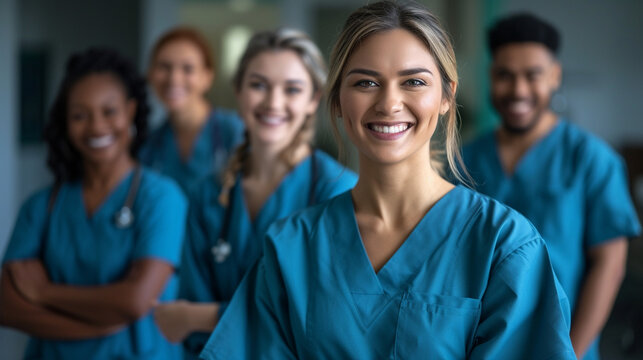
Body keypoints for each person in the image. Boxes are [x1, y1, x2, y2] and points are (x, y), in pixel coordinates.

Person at [199, 2, 576, 359]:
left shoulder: (503, 246)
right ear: (337, 102)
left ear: (447, 95)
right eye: (365, 83)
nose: (389, 103)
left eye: (413, 82)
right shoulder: (291, 248)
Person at [152, 28, 357, 359]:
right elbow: (190, 327)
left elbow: (324, 320)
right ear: (238, 91)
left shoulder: (338, 190)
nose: (273, 103)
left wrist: (200, 317)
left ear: (313, 100)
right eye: (258, 85)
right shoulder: (209, 194)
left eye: (292, 89)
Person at [462, 13, 641, 360]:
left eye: (533, 75)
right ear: (490, 77)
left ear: (555, 76)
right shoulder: (466, 159)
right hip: (480, 346)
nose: (518, 90)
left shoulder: (592, 160)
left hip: (562, 343)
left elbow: (610, 265)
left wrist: (568, 352)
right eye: (504, 75)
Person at [0, 48, 187, 359]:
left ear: (130, 111)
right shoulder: (42, 205)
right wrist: (98, 327)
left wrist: (44, 293)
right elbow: (6, 305)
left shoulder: (161, 198)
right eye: (79, 115)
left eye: (109, 111)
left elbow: (135, 301)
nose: (96, 126)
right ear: (66, 123)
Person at [140, 27, 244, 193]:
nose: (174, 78)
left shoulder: (236, 132)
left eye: (187, 69)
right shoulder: (148, 145)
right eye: (164, 67)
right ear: (150, 74)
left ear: (207, 78)